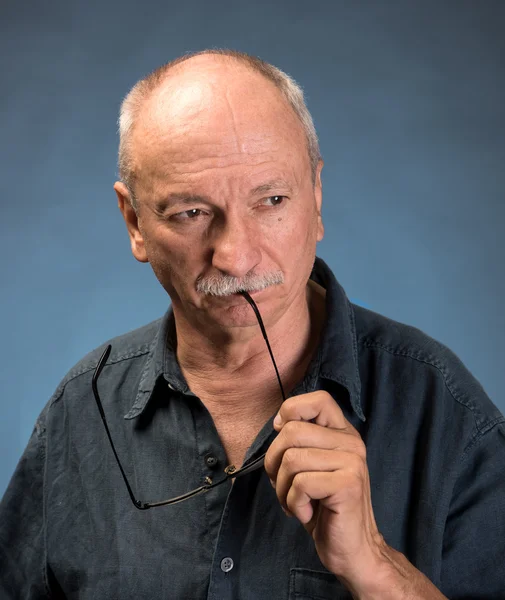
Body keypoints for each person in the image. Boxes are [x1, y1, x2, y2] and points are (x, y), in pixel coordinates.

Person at [1, 49, 504, 600]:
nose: (236, 257)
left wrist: (374, 565)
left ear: (316, 197)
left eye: (271, 199)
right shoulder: (80, 412)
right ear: (134, 222)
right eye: (190, 212)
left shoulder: (444, 411)